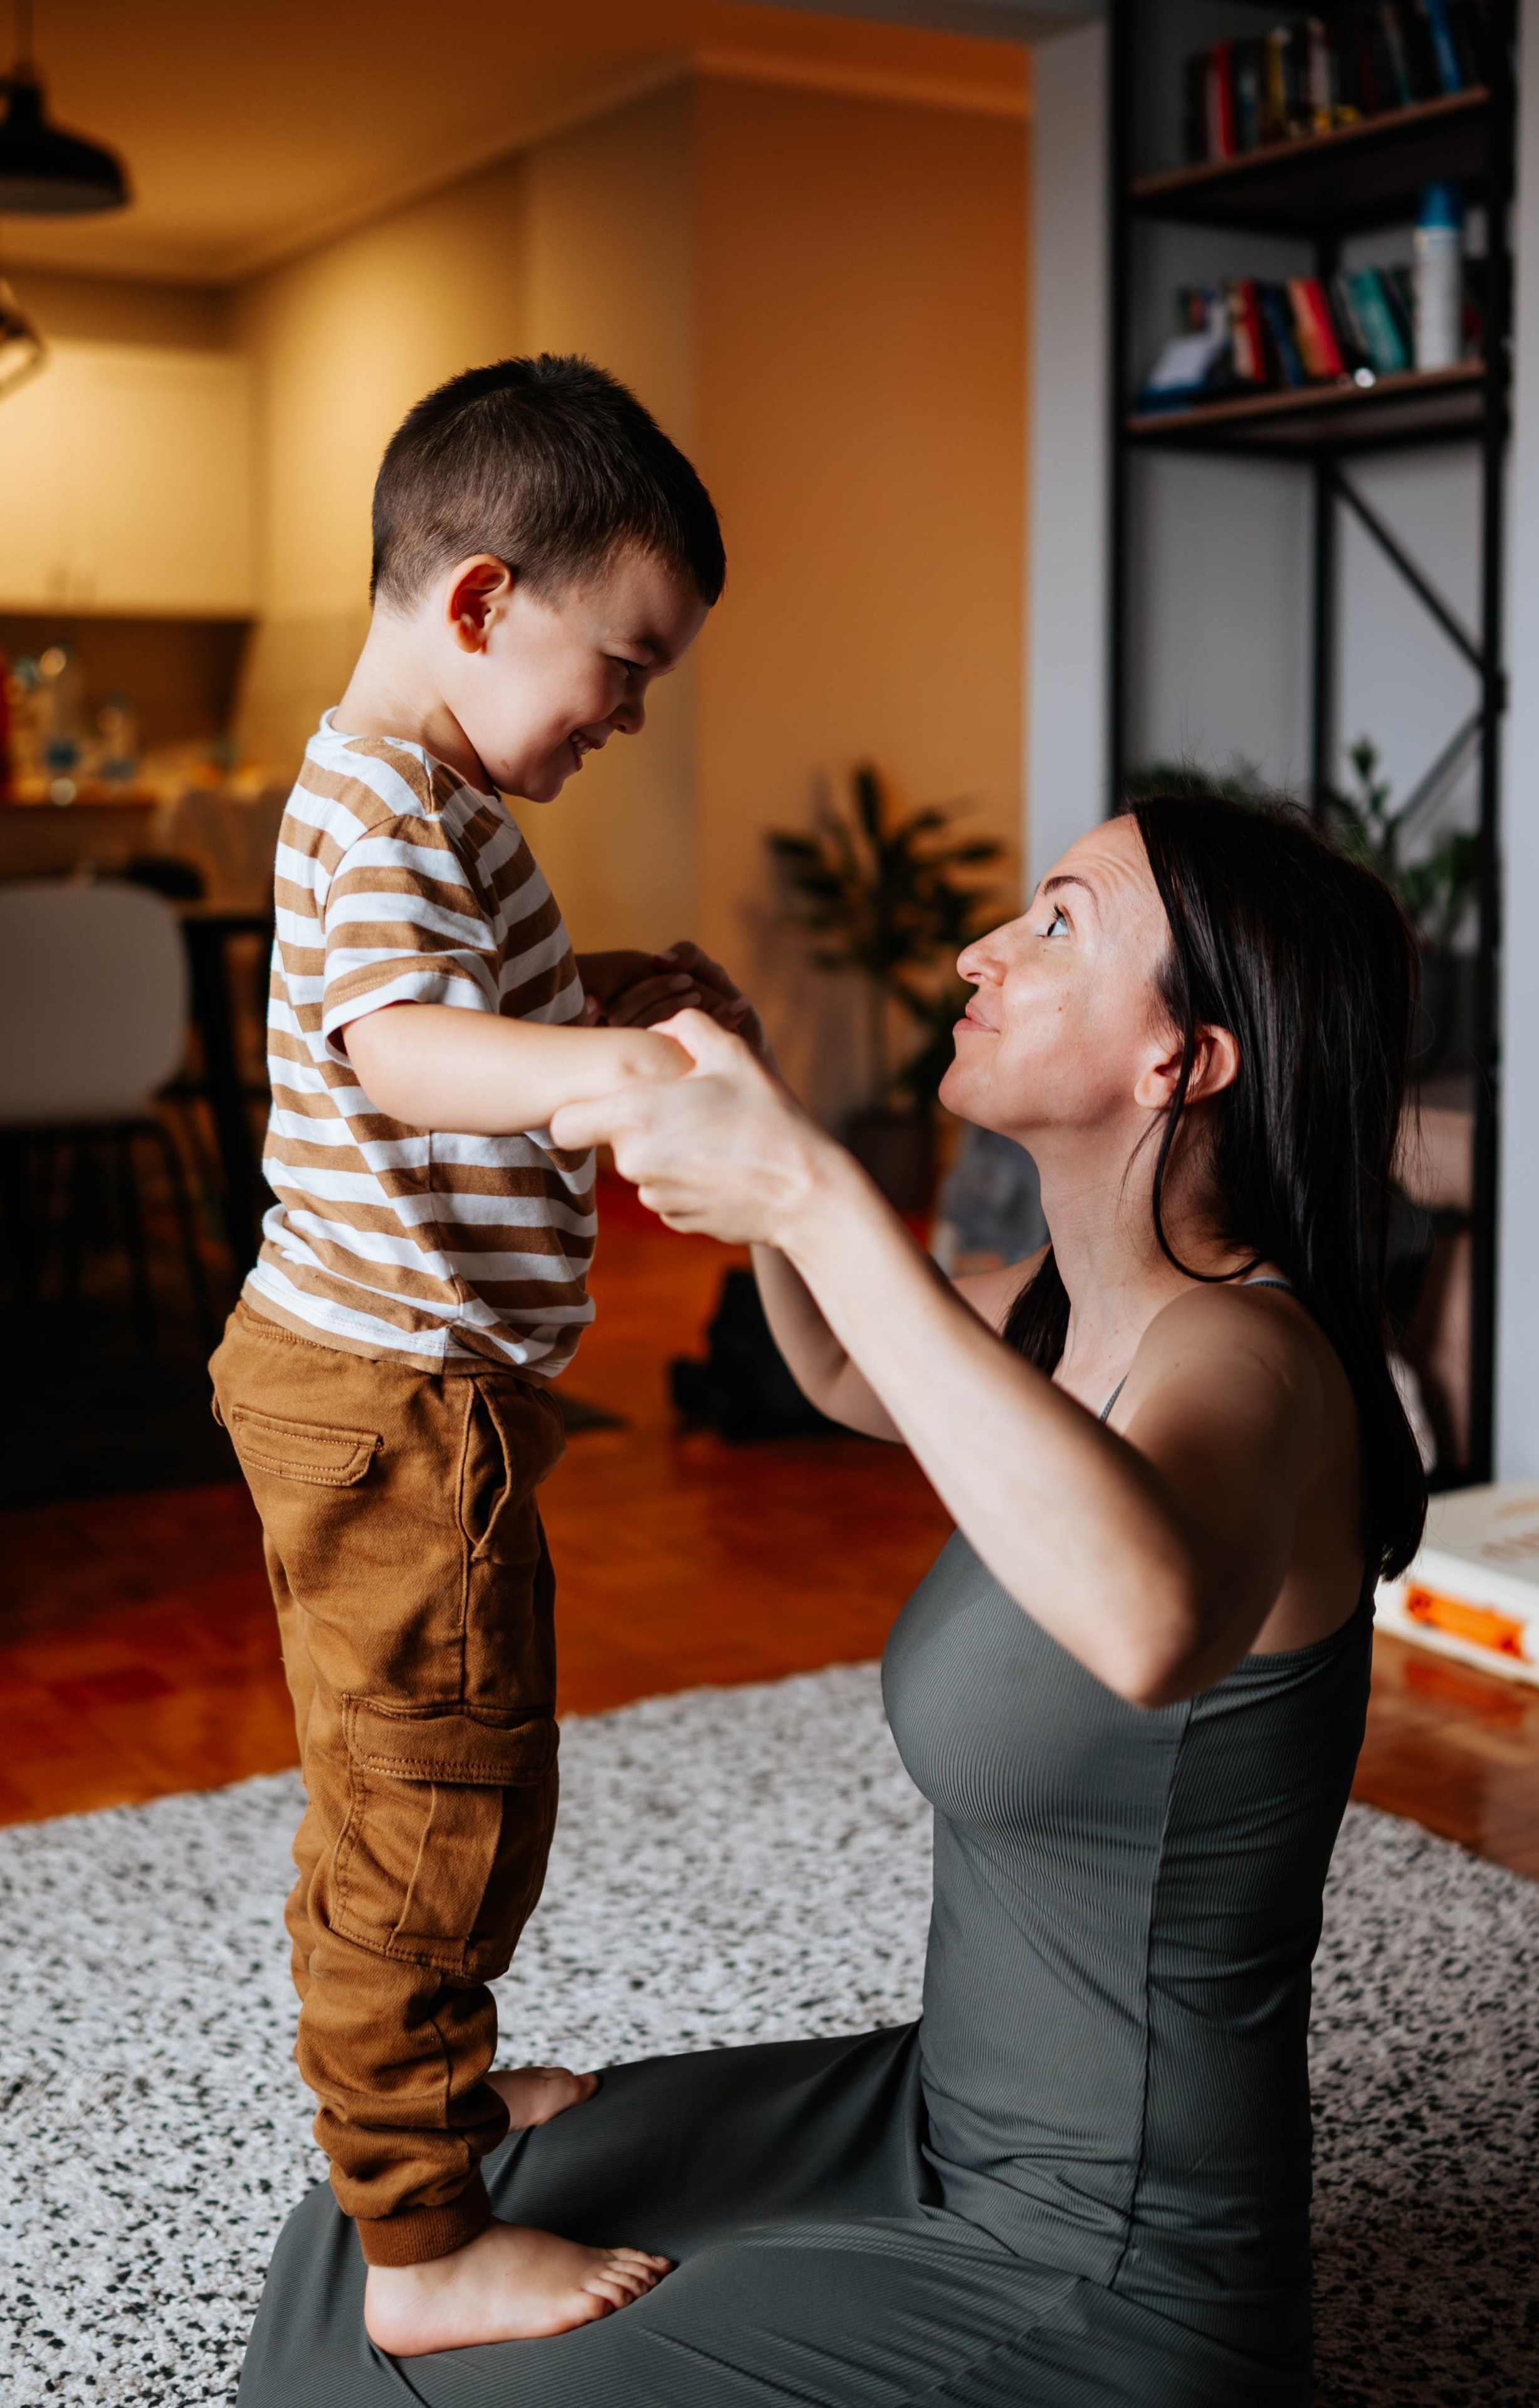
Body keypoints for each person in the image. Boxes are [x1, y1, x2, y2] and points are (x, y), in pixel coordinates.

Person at [233, 791, 1426, 2407]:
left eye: (1059, 923)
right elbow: (853, 1359)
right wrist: (759, 1095)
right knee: (388, 2232)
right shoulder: (1062, 1317)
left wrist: (808, 1190)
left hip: (1115, 2267)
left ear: (1185, 1058)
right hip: (938, 2117)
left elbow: (1153, 1622)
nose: (977, 951)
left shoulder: (1257, 1364)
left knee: (382, 2387)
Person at [209, 354, 762, 2357]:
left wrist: (605, 985)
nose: (627, 708)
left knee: (455, 1777)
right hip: (393, 1402)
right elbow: (399, 1046)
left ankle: (436, 2093)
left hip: (417, 1389)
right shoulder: (379, 803)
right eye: (622, 662)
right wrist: (609, 1069)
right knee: (427, 1802)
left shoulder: (427, 795)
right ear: (478, 601)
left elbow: (454, 1000)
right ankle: (423, 2245)